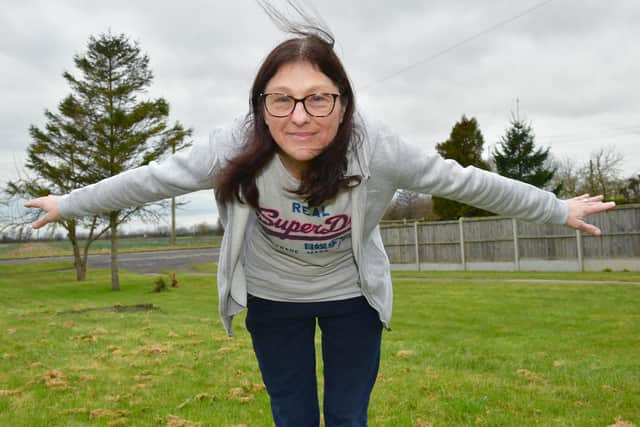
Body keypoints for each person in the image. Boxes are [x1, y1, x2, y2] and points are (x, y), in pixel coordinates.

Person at [26, 27, 614, 427]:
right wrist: (69, 203)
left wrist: (554, 208)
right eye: (280, 100)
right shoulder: (234, 146)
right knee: (295, 416)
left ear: (343, 101)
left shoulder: (375, 148)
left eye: (317, 99)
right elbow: (149, 179)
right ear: (260, 104)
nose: (299, 116)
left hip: (350, 297)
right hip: (273, 297)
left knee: (347, 417)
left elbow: (464, 181)